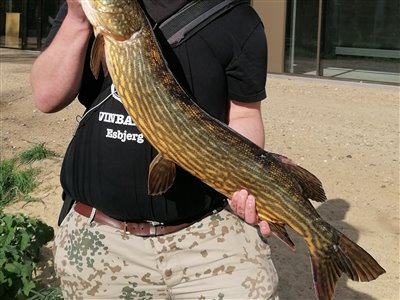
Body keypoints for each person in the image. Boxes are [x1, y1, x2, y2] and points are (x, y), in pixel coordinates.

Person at [30, 0, 279, 299]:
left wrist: (250, 181)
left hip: (207, 237)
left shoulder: (237, 18)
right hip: (100, 236)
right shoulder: (90, 8)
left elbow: (244, 115)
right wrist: (77, 18)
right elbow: (46, 97)